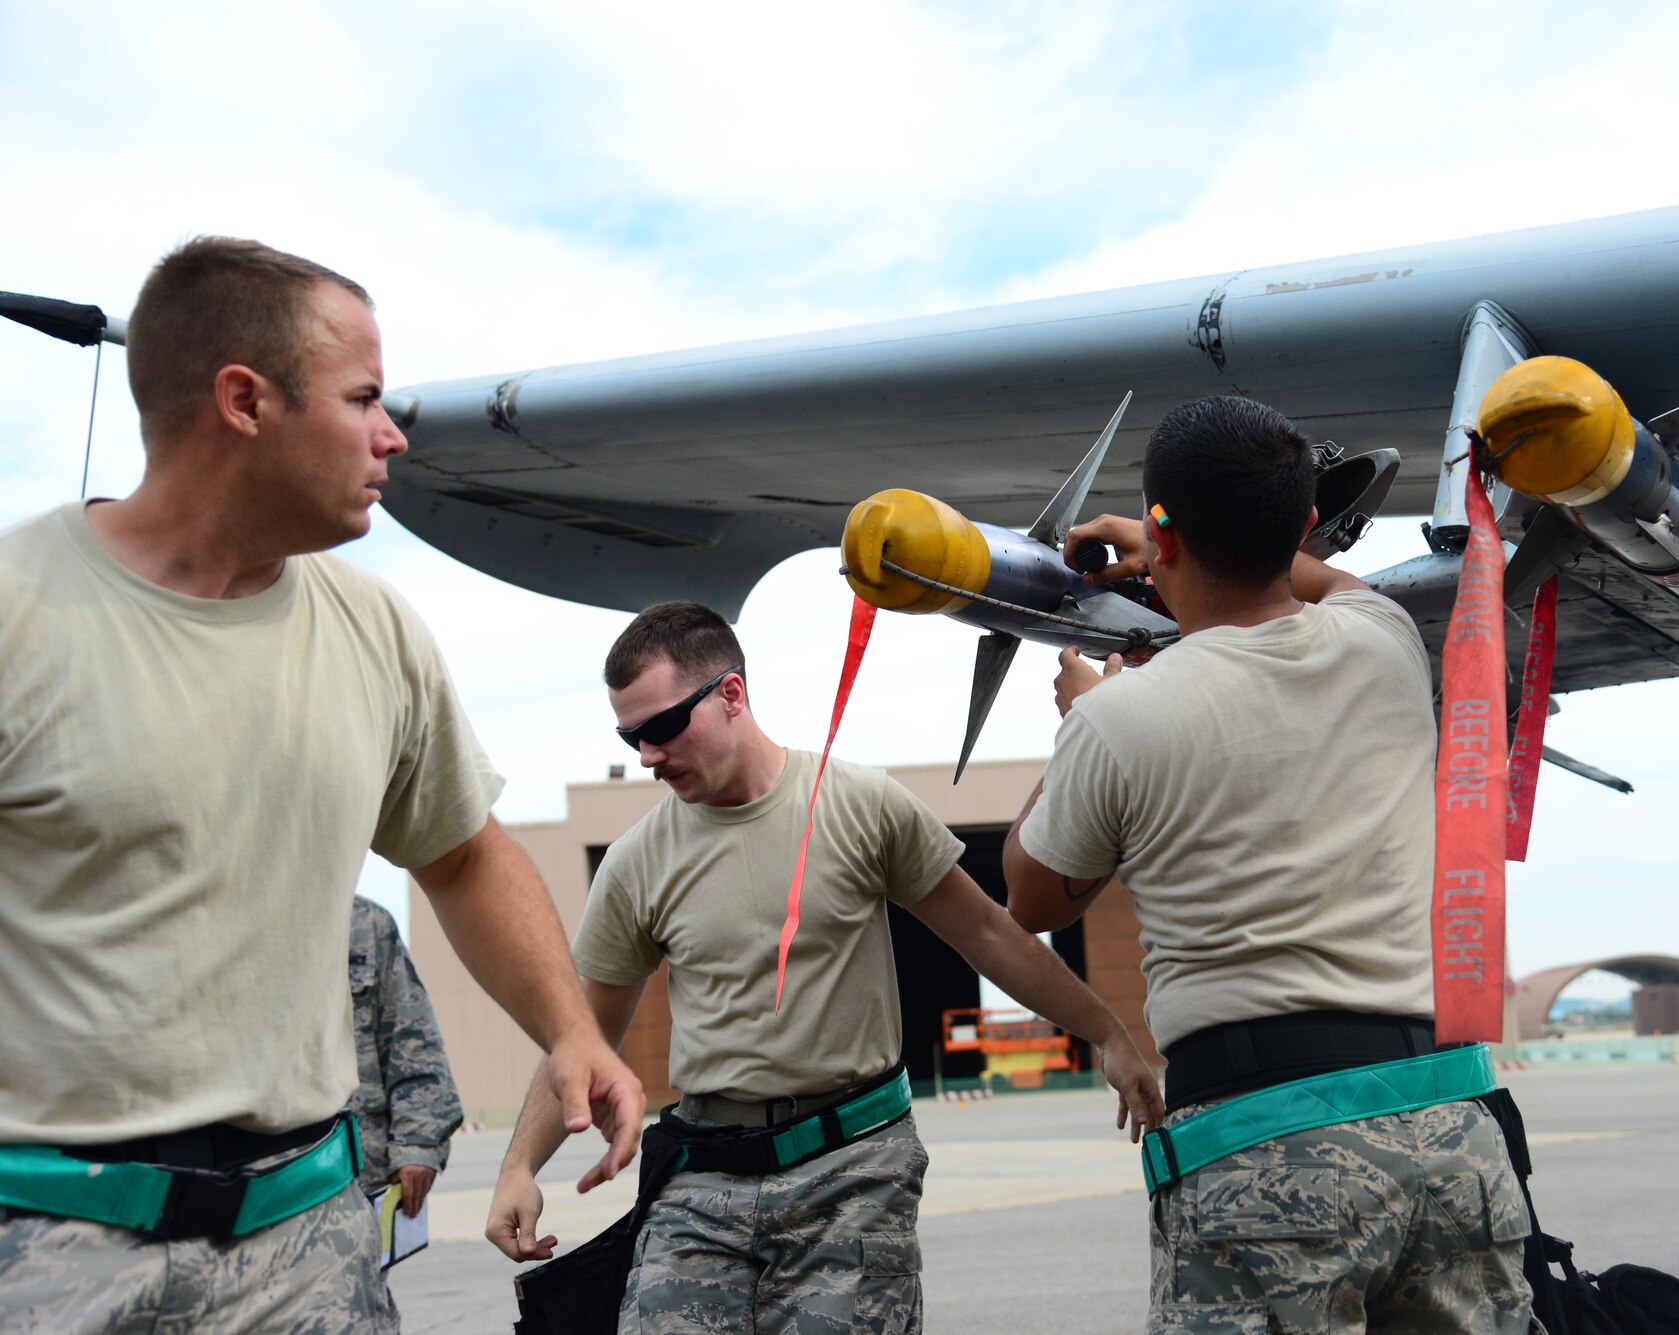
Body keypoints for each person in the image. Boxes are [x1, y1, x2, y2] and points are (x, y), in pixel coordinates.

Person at [0, 237, 643, 1333]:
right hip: (52, 1250)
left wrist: (570, 1034)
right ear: (245, 401)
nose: (392, 435)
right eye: (363, 399)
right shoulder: (21, 616)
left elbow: (461, 853)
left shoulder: (373, 630)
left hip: (307, 1242)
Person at [1003, 396, 1541, 1333]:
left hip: (1265, 1151)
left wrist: (1079, 725)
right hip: (1453, 1129)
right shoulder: (1383, 638)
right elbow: (1326, 581)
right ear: (1299, 523)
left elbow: (1033, 893)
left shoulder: (1120, 718)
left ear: (1163, 535)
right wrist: (1169, 532)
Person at [485, 600, 1165, 1334]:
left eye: (660, 727)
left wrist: (1109, 1032)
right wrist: (518, 1165)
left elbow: (991, 937)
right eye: (630, 736)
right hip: (703, 1179)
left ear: (731, 694)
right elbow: (583, 1034)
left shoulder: (860, 805)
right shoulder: (636, 863)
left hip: (852, 1173)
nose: (648, 754)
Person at [347, 895, 463, 1214]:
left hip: (354, 1186)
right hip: (231, 1176)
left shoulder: (365, 924)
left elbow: (412, 1040)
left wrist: (417, 1142)